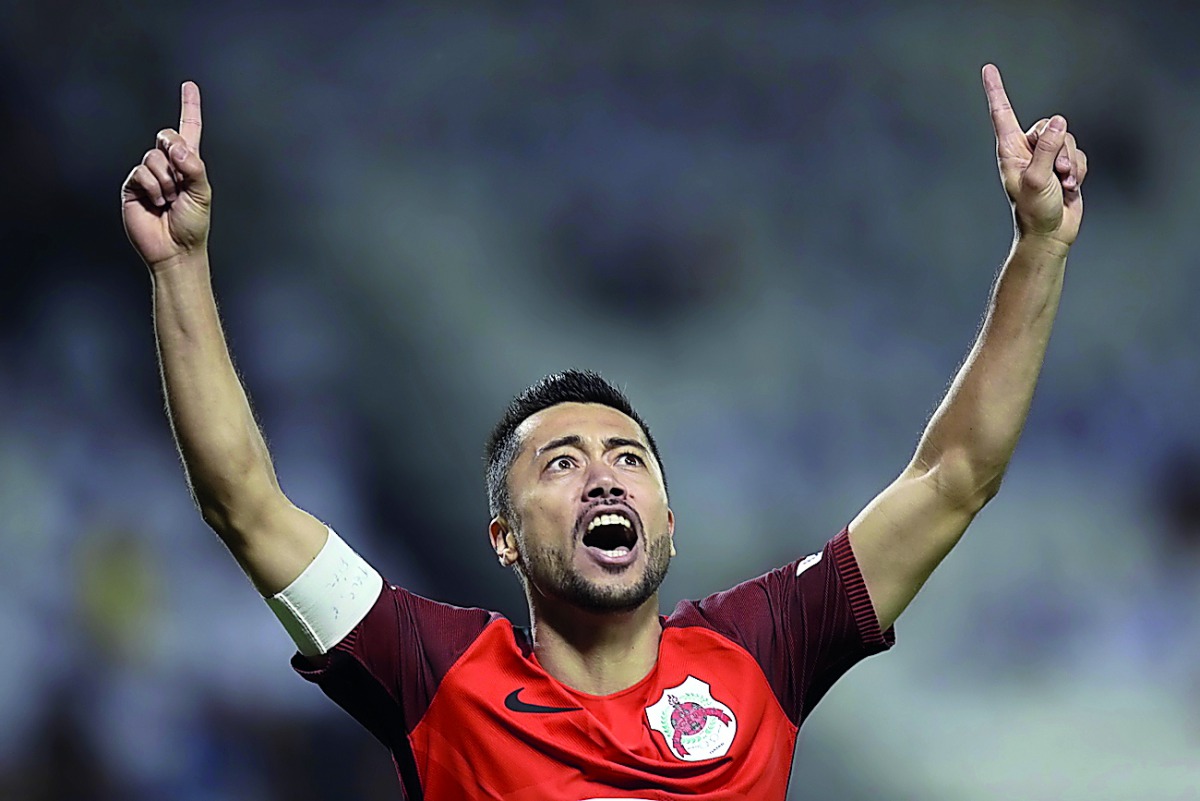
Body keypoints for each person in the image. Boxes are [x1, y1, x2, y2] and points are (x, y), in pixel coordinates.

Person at [120, 63, 1087, 799]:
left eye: (630, 458)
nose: (606, 478)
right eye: (563, 462)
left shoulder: (765, 646)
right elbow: (243, 504)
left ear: (672, 522)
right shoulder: (435, 673)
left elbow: (956, 474)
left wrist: (1039, 247)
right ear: (502, 536)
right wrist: (181, 267)